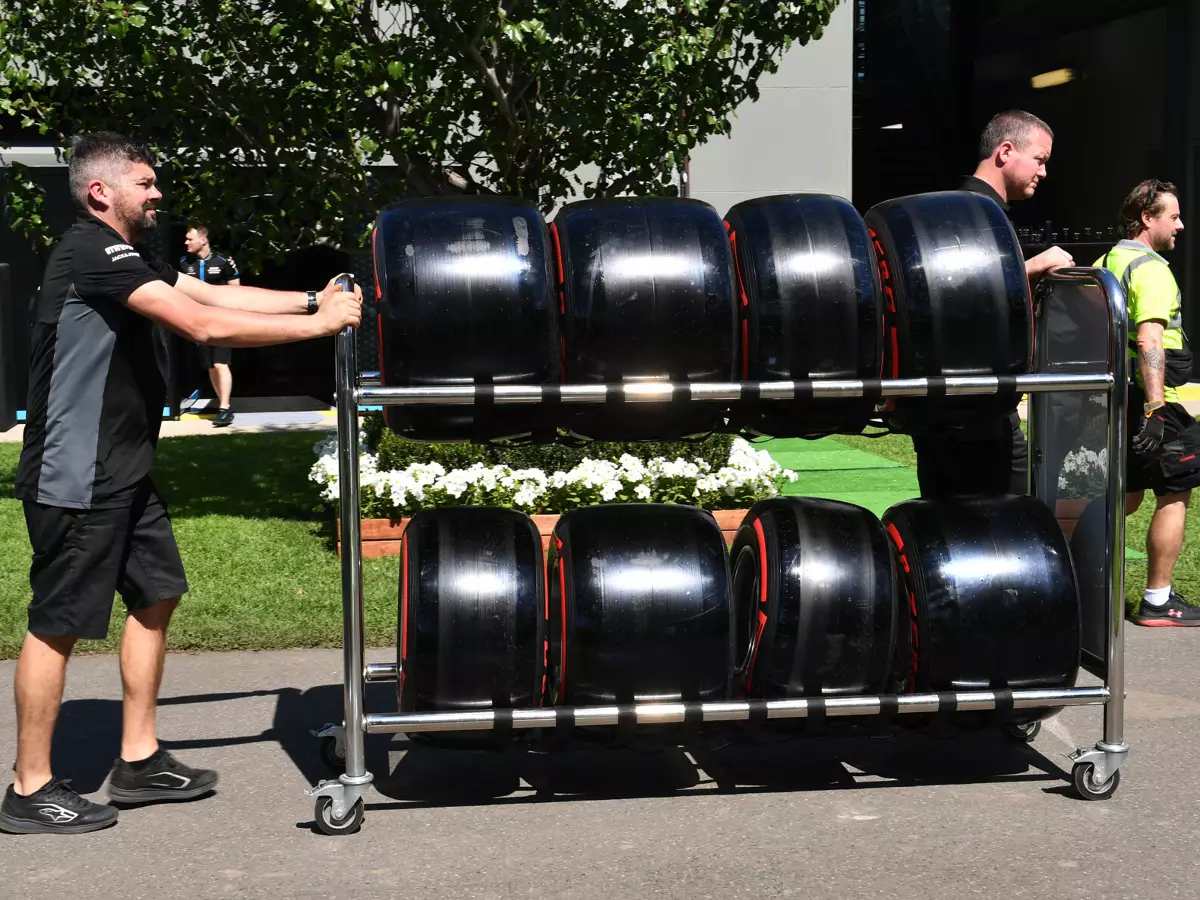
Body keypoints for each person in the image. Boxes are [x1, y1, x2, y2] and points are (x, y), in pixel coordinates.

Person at [2, 131, 362, 835]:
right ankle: (29, 786)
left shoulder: (127, 255)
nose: (157, 191)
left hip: (124, 470)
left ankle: (137, 759)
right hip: (77, 474)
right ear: (101, 192)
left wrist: (304, 300)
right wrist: (319, 327)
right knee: (58, 624)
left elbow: (201, 288)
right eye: (144, 182)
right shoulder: (89, 249)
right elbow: (198, 322)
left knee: (157, 593)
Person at [913, 110, 1073, 499]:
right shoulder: (972, 211)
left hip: (956, 409)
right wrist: (1034, 267)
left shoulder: (963, 209)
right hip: (975, 414)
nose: (1044, 172)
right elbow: (965, 295)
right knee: (1002, 526)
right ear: (1005, 152)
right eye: (1040, 159)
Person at [1096, 179, 1199, 626]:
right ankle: (1159, 600)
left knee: (1124, 495)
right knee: (1176, 490)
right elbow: (1150, 339)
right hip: (1159, 399)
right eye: (1172, 216)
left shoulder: (1105, 261)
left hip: (1115, 395)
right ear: (1147, 218)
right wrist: (1157, 409)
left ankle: (1093, 588)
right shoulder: (1152, 268)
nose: (1180, 225)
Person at [180, 225, 240, 426]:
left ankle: (225, 407)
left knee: (221, 362)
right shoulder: (184, 263)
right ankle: (222, 404)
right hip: (198, 322)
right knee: (211, 366)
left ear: (203, 240)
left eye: (190, 239)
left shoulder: (223, 262)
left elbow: (237, 290)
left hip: (222, 320)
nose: (186, 242)